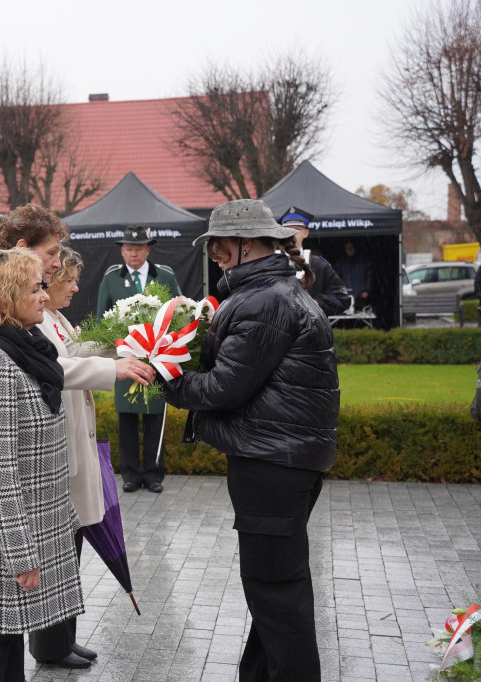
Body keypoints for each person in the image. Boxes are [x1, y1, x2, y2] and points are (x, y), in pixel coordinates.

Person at [162, 198, 339, 682]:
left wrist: (164, 376)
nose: (215, 255)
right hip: (283, 460)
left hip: (273, 465)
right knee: (273, 587)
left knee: (275, 591)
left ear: (246, 243)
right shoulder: (274, 291)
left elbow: (224, 387)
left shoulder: (265, 300)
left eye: (219, 247)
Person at [0, 247, 83, 682]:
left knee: (7, 634)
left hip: (31, 522)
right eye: (35, 288)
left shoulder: (24, 348)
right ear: (6, 296)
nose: (44, 296)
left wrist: (64, 513)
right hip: (6, 535)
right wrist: (20, 553)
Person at [30, 244, 155, 669]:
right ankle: (49, 645)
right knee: (58, 549)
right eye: (71, 278)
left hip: (75, 440)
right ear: (53, 276)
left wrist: (122, 347)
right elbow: (60, 367)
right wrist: (114, 366)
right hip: (58, 443)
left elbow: (78, 352)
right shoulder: (37, 319)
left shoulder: (56, 318)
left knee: (73, 544)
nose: (77, 287)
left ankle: (64, 635)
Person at [95, 226, 182, 494]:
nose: (134, 253)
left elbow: (178, 312)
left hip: (156, 358)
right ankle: (131, 475)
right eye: (129, 249)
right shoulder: (111, 277)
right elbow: (101, 320)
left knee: (155, 415)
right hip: (126, 358)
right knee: (128, 419)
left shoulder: (164, 275)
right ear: (122, 251)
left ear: (148, 250)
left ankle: (154, 475)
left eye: (139, 248)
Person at [279, 207, 352, 315]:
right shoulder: (269, 262)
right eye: (287, 229)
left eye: (296, 230)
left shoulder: (319, 265)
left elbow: (343, 299)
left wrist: (317, 303)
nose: (291, 233)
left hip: (311, 329)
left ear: (306, 233)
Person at [335, 241, 374, 311]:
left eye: (351, 247)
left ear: (355, 248)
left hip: (361, 295)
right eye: (347, 248)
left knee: (362, 317)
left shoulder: (364, 260)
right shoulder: (340, 262)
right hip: (346, 296)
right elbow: (336, 279)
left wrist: (367, 291)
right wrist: (340, 292)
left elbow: (370, 276)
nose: (349, 250)